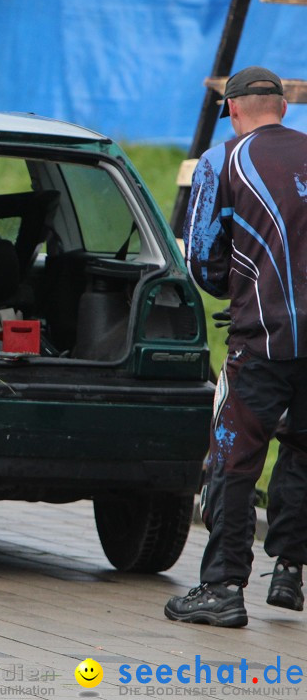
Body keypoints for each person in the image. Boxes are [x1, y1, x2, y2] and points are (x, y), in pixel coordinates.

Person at [169, 66, 307, 627]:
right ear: (283, 107)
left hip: (263, 338)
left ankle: (222, 588)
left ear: (232, 109)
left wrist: (238, 289)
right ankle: (291, 571)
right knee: (301, 450)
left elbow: (203, 255)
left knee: (234, 458)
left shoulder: (221, 160)